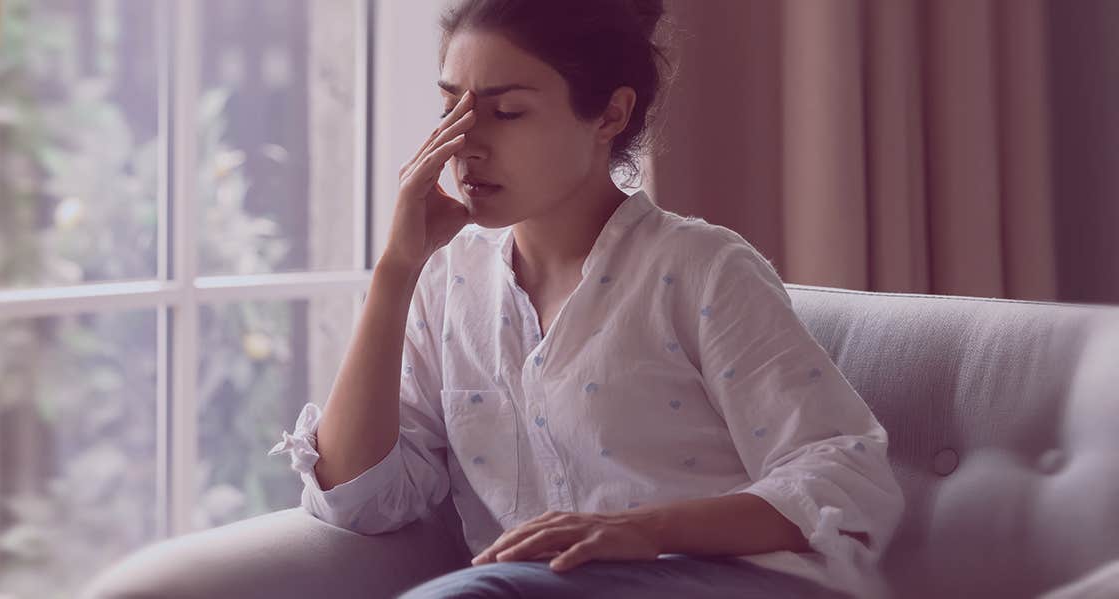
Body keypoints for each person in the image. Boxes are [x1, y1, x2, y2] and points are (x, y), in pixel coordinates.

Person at [270, 0, 904, 597]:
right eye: (450, 110)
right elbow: (358, 497)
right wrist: (395, 269)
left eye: (506, 112)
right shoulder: (447, 284)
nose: (464, 143)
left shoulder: (702, 270)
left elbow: (846, 477)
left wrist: (645, 531)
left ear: (609, 115)